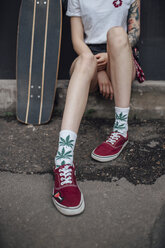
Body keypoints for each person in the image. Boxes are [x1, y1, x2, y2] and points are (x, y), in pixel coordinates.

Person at [52, 0, 145, 216]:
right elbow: (77, 40)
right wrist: (99, 68)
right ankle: (63, 161)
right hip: (89, 56)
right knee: (85, 60)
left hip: (121, 54)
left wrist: (109, 59)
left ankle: (120, 130)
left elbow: (134, 34)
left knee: (117, 34)